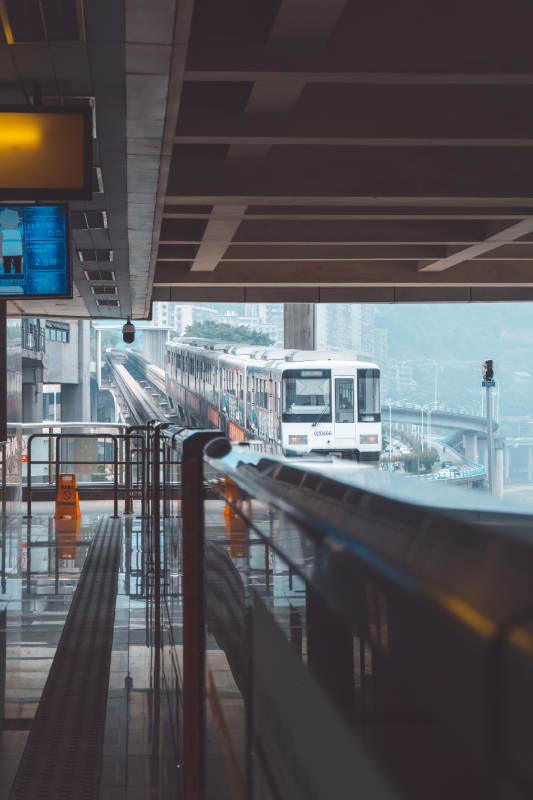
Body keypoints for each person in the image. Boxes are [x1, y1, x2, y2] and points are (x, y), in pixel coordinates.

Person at [0, 209, 23, 275]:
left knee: (7, 270)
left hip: (6, 252)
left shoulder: (2, 232)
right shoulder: (18, 232)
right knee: (18, 269)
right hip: (17, 252)